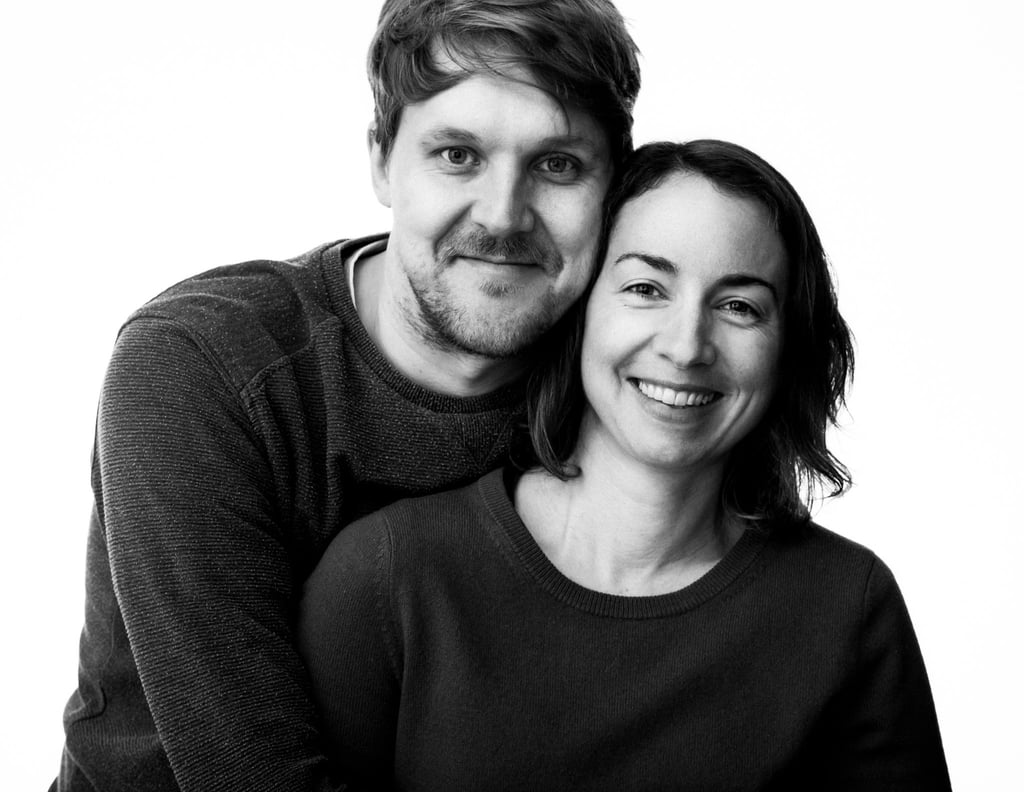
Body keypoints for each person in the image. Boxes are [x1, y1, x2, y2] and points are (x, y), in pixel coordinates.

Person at [51, 2, 641, 790]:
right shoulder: (204, 364)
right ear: (380, 162)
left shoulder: (637, 385)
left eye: (558, 164)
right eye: (458, 155)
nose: (503, 216)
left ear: (613, 188)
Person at [297, 140, 952, 790]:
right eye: (645, 288)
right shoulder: (390, 577)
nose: (686, 345)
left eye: (739, 306)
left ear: (787, 351)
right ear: (579, 311)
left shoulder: (846, 608)